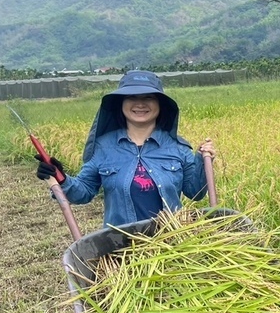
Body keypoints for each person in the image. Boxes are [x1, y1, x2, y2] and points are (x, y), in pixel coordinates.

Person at [35, 70, 216, 227]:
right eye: (132, 97)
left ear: (160, 104)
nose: (140, 104)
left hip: (172, 244)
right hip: (121, 247)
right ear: (121, 103)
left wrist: (202, 160)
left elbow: (195, 193)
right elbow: (84, 192)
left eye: (148, 97)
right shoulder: (104, 147)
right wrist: (61, 178)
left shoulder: (177, 147)